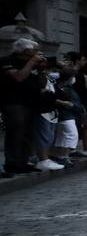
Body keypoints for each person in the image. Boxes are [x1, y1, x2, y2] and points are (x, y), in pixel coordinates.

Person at [1, 39, 46, 176]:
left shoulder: (34, 63)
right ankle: (12, 164)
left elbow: (41, 82)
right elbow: (18, 77)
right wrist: (31, 63)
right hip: (13, 102)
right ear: (26, 50)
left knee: (28, 133)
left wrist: (41, 68)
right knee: (16, 131)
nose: (38, 51)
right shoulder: (7, 60)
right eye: (35, 49)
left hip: (31, 102)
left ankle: (23, 162)